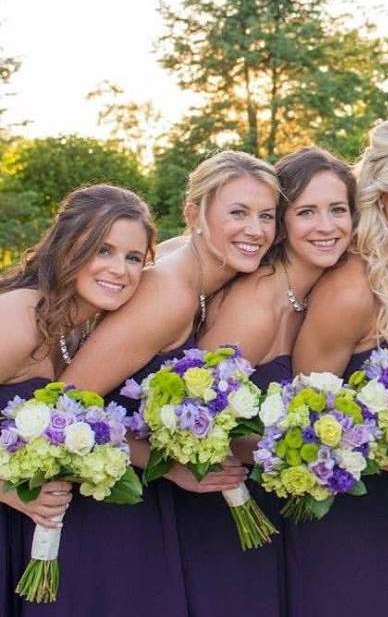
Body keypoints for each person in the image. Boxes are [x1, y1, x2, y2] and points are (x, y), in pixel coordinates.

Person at [34, 151, 279, 616]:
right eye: (238, 213)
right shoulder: (169, 293)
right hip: (106, 509)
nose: (255, 230)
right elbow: (62, 411)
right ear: (194, 214)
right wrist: (166, 464)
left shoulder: (184, 269)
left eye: (266, 216)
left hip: (139, 503)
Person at [173, 147, 356, 617]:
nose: (327, 226)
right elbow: (198, 420)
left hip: (273, 517)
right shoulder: (256, 306)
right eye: (306, 212)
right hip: (224, 517)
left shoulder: (311, 291)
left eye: (338, 210)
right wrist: (301, 453)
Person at [290, 119, 388, 617]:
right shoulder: (352, 286)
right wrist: (382, 457)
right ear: (381, 189)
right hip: (342, 510)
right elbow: (302, 417)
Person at [0, 185, 154, 616]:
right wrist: (5, 486)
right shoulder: (19, 321)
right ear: (67, 246)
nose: (119, 270)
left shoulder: (85, 331)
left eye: (133, 257)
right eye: (102, 249)